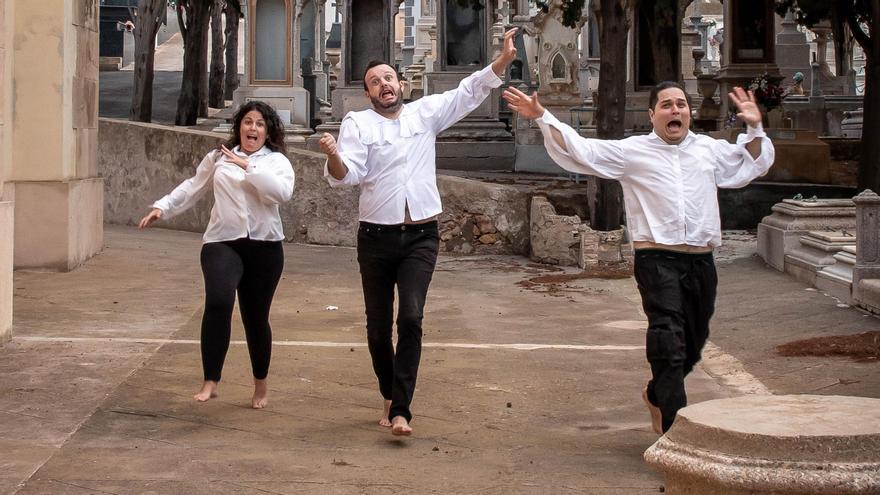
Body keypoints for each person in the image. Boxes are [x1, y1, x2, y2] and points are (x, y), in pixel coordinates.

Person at [503, 82, 775, 434]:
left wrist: (754, 126)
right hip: (656, 258)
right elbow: (582, 150)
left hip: (701, 261)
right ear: (652, 115)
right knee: (667, 338)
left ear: (689, 113)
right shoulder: (633, 152)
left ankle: (656, 393)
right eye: (666, 105)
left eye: (680, 105)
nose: (675, 110)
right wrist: (542, 116)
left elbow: (751, 162)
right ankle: (675, 431)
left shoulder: (708, 150)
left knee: (692, 342)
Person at [318, 29, 519, 437]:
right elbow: (347, 176)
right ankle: (389, 392)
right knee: (378, 327)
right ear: (368, 93)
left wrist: (501, 61)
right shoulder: (357, 124)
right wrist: (334, 156)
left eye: (388, 78)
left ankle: (401, 409)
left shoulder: (424, 113)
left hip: (421, 235)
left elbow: (467, 92)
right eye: (375, 82)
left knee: (410, 317)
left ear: (401, 85)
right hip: (375, 237)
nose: (383, 85)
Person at [139, 100, 295, 409]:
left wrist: (247, 167)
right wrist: (163, 206)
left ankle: (260, 384)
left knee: (255, 317)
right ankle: (211, 380)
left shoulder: (276, 161)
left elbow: (281, 193)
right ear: (239, 126)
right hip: (221, 242)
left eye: (260, 124)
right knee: (219, 301)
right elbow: (191, 187)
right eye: (248, 122)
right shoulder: (218, 157)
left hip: (265, 247)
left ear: (268, 131)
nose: (253, 128)